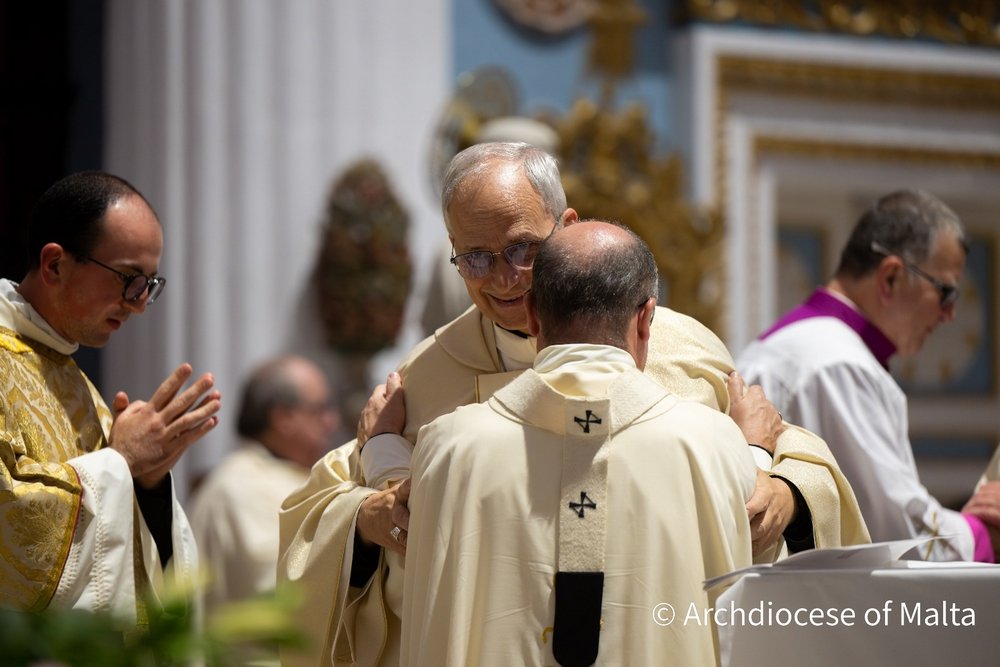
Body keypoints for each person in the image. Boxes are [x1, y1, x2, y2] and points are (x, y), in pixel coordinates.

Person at [278, 143, 868, 666]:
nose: (504, 279)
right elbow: (321, 508)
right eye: (475, 258)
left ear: (566, 225)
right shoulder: (426, 375)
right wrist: (365, 520)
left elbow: (792, 454)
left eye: (522, 249)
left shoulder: (683, 350)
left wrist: (787, 494)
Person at [367, 220, 754, 665]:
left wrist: (382, 451)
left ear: (532, 315)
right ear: (647, 319)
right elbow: (760, 561)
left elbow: (402, 581)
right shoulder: (713, 441)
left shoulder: (447, 447)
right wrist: (754, 454)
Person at [0, 171, 221, 624]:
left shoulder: (74, 381)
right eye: (128, 278)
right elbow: (13, 523)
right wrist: (121, 462)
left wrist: (149, 484)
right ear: (55, 264)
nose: (138, 302)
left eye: (149, 285)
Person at [738, 189, 999, 562]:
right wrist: (985, 532)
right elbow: (896, 538)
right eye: (944, 292)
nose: (949, 315)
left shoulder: (802, 342)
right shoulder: (837, 363)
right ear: (891, 277)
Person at [189, 355, 339, 614]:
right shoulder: (241, 487)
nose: (331, 422)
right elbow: (280, 591)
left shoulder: (289, 475)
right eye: (319, 409)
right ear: (284, 418)